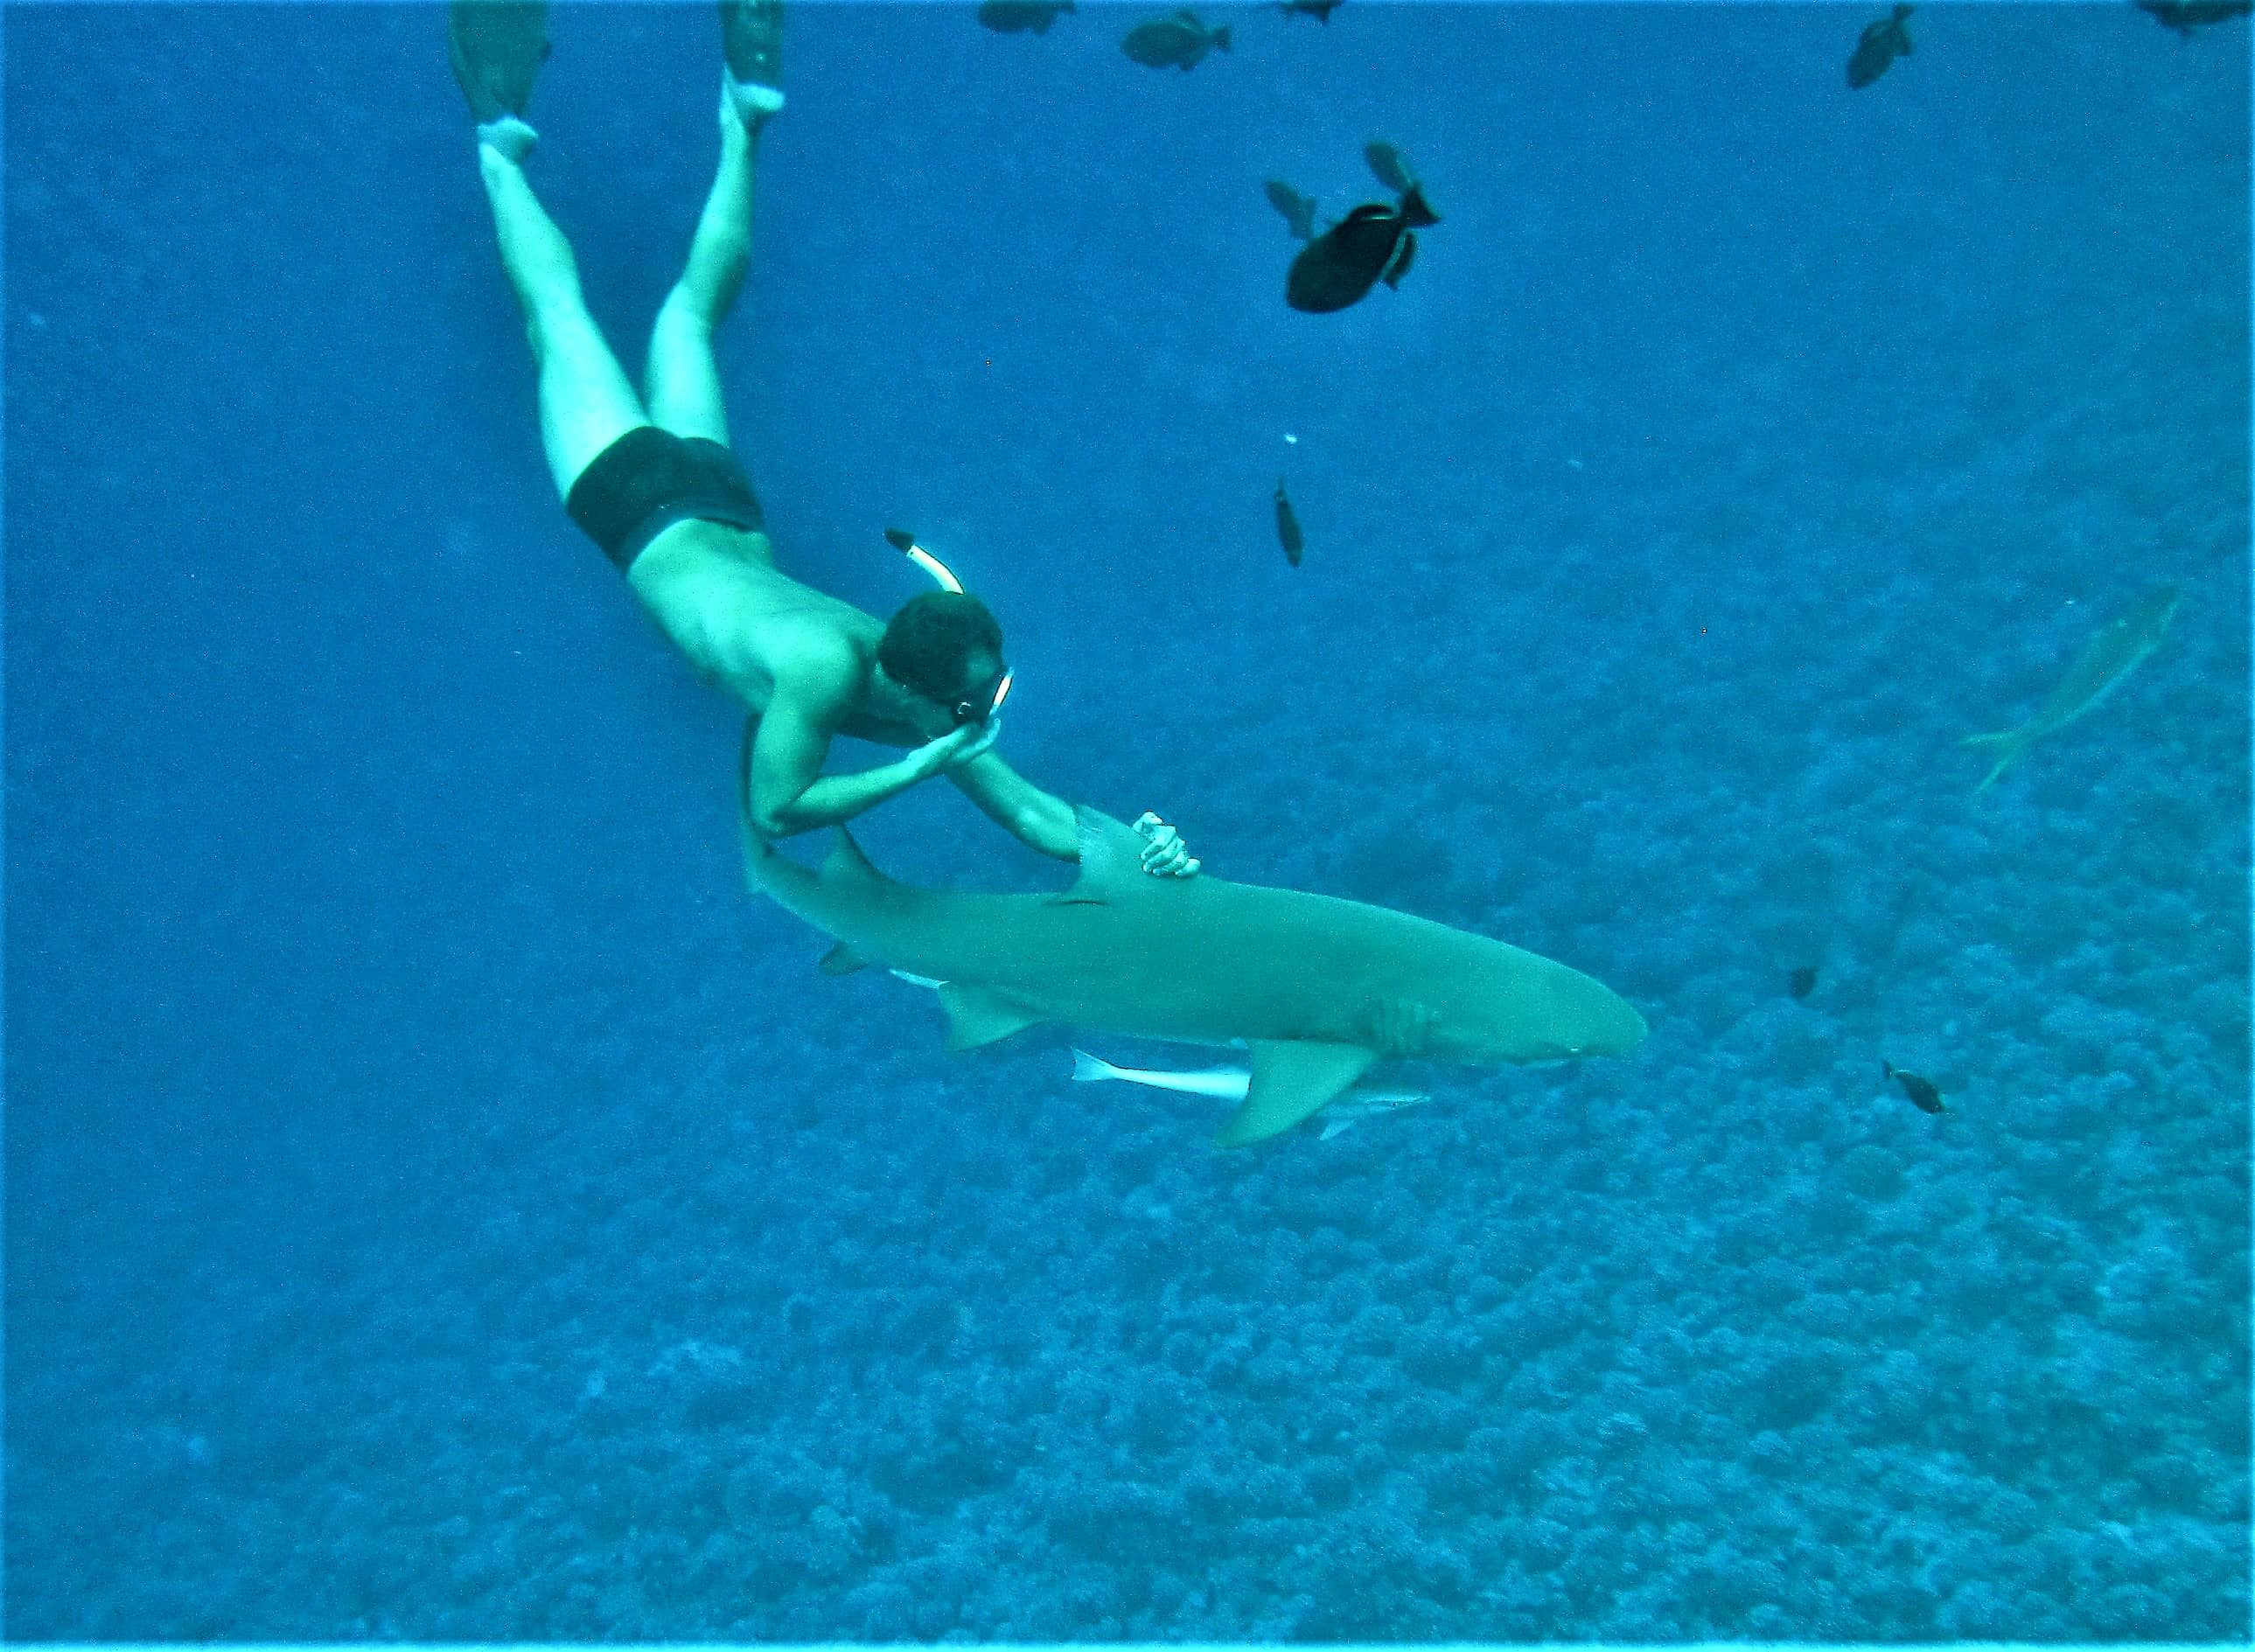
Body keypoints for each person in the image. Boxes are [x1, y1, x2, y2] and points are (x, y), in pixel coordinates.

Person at [449, 0, 1199, 875]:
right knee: (567, 320)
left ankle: (741, 119)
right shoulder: (829, 672)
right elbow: (775, 807)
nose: (983, 714)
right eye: (970, 704)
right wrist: (921, 763)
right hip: (639, 504)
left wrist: (1140, 854)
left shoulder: (923, 671)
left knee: (685, 316)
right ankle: (500, 155)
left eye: (987, 693)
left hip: (713, 502)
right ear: (917, 690)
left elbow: (1031, 810)